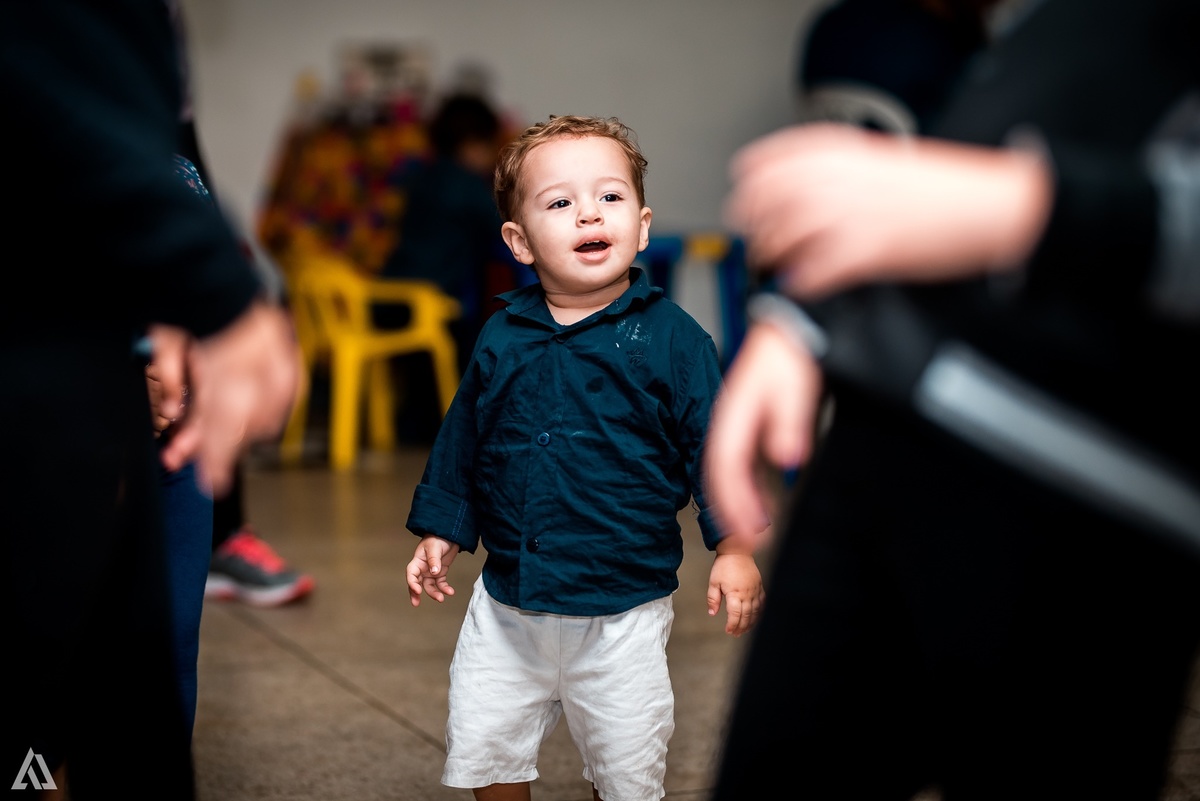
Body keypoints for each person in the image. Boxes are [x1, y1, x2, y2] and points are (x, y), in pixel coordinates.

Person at [705, 0, 1200, 798]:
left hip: (1092, 496)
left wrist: (1035, 206)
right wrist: (810, 314)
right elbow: (966, 152)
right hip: (882, 433)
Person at [405, 114, 764, 801]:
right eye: (561, 202)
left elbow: (718, 448)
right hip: (508, 603)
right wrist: (443, 529)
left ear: (643, 223)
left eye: (610, 196)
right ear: (519, 241)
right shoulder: (501, 336)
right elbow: (464, 438)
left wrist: (735, 546)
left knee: (625, 758)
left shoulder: (673, 341)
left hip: (621, 607)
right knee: (488, 739)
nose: (589, 213)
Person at [0, 2, 298, 797]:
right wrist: (209, 292)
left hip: (156, 425)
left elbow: (149, 158)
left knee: (155, 655)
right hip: (62, 385)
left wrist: (182, 298)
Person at [376, 91, 532, 444]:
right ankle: (454, 426)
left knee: (422, 370)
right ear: (472, 145)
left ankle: (414, 425)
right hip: (431, 299)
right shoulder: (466, 186)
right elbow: (506, 227)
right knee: (472, 340)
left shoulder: (422, 175)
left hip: (391, 291)